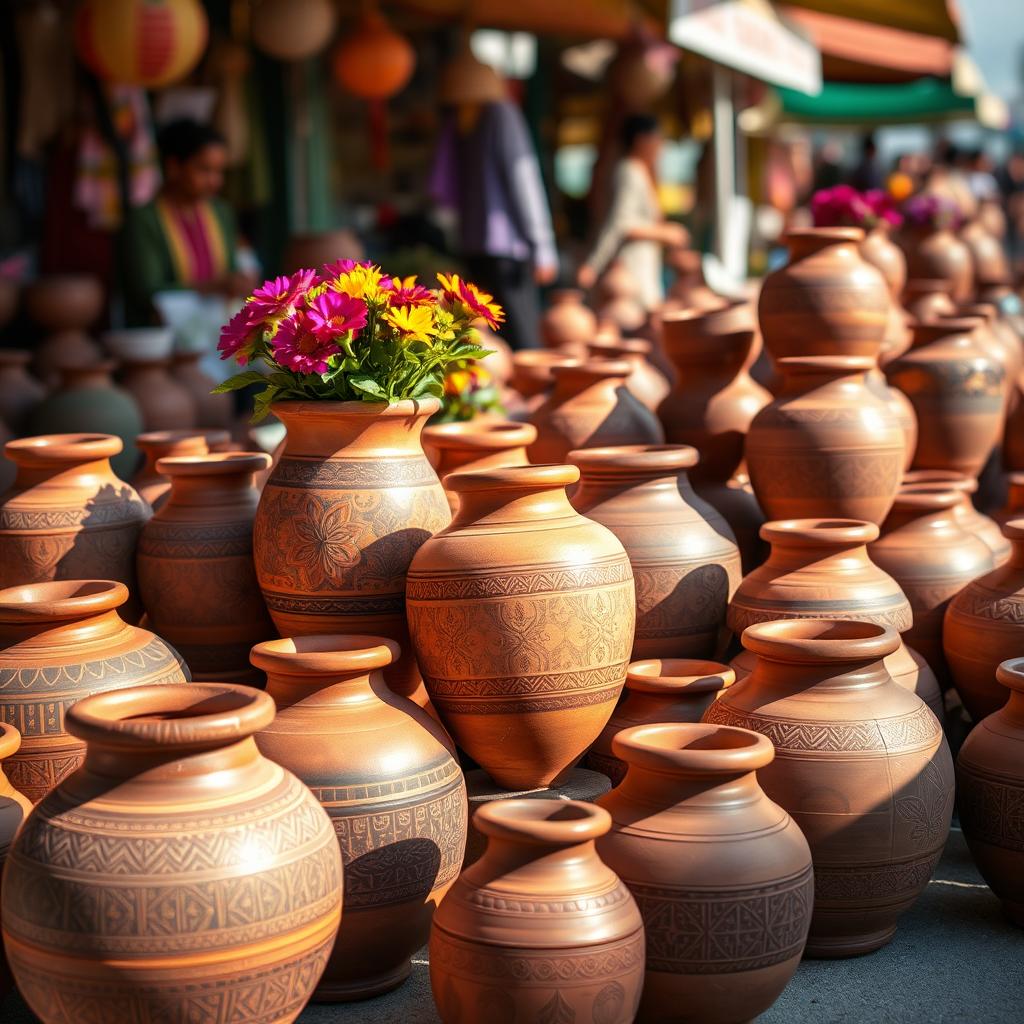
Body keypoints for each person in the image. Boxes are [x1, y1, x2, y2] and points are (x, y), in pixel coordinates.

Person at [430, 58, 558, 350]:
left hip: (474, 243)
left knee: (490, 338)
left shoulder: (462, 119)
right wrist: (543, 246)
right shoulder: (501, 114)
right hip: (507, 247)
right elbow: (523, 182)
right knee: (523, 339)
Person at [123, 119, 256, 324]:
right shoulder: (145, 220)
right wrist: (216, 286)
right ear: (174, 166)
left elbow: (231, 268)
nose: (215, 181)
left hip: (219, 327)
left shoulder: (221, 212)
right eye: (204, 170)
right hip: (164, 336)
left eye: (219, 171)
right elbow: (147, 291)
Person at [577, 114, 686, 312]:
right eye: (657, 138)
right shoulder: (629, 171)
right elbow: (620, 223)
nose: (660, 145)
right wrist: (594, 264)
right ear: (641, 140)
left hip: (644, 263)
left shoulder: (640, 171)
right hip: (632, 265)